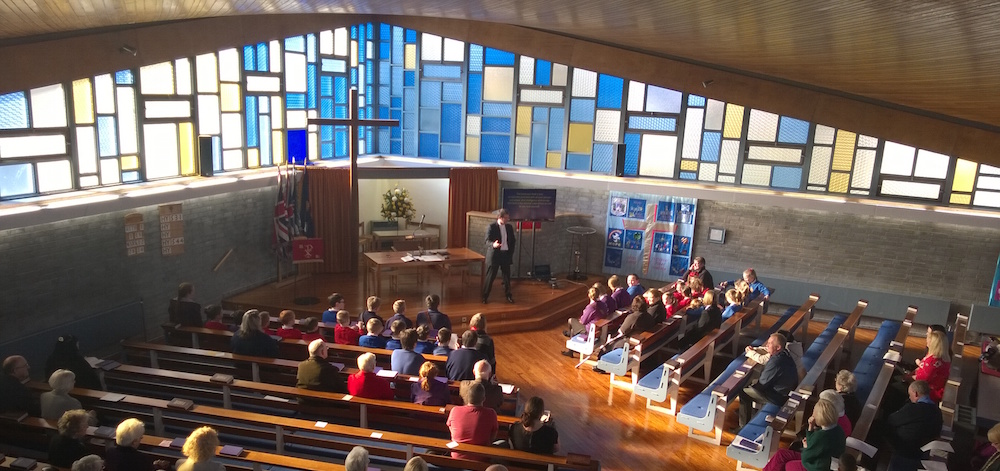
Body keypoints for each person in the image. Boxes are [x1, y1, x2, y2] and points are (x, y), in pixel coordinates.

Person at [762, 398, 845, 471]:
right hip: (821, 460)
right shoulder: (838, 429)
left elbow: (806, 458)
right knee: (781, 454)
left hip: (816, 466)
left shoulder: (821, 436)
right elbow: (813, 444)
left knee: (787, 465)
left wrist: (806, 447)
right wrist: (810, 427)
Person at [739, 333, 798, 428]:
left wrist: (752, 387)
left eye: (770, 343)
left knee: (744, 393)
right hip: (784, 391)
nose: (767, 345)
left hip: (777, 397)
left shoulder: (776, 361)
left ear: (778, 347)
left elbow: (762, 385)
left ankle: (743, 427)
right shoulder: (784, 354)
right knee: (752, 384)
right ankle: (749, 411)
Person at [884, 380, 943, 470]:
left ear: (915, 394)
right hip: (924, 452)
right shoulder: (937, 411)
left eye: (910, 394)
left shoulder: (913, 408)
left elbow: (892, 420)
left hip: (906, 451)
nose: (909, 397)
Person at [593, 296, 655, 374]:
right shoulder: (648, 316)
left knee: (608, 346)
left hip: (631, 343)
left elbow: (622, 331)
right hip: (642, 340)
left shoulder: (633, 317)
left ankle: (602, 366)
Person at [446, 382, 499, 460]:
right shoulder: (491, 413)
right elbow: (493, 434)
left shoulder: (455, 410)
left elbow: (450, 427)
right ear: (484, 398)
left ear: (467, 397)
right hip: (482, 457)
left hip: (457, 455)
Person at [105, 418, 171, 471]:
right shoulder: (141, 458)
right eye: (140, 438)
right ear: (134, 442)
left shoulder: (110, 452)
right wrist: (157, 466)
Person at [482, 209, 516, 304]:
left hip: (505, 255)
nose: (507, 219)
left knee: (506, 277)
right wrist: (493, 244)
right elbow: (486, 241)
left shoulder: (509, 227)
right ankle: (485, 296)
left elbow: (512, 241)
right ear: (500, 217)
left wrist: (510, 252)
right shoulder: (492, 227)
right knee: (490, 277)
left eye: (508, 218)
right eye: (506, 218)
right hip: (495, 256)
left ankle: (508, 295)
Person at [912, 330, 950, 402]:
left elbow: (921, 380)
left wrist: (908, 377)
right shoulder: (941, 357)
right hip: (928, 388)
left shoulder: (933, 361)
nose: (927, 341)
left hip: (928, 393)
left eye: (928, 340)